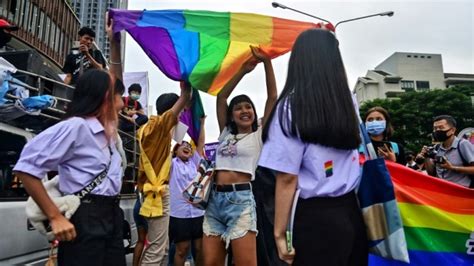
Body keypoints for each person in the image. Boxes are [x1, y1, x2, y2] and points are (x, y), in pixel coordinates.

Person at [259, 29, 368, 265]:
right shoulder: (349, 102)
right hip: (351, 212)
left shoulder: (290, 107)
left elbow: (287, 178)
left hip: (313, 219)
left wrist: (279, 233)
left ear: (299, 60)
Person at [13, 69, 126, 266]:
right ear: (106, 96)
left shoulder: (109, 137)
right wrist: (55, 216)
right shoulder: (76, 127)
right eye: (119, 95)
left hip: (112, 214)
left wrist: (115, 43)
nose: (124, 103)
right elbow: (26, 167)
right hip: (86, 216)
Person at [202, 46, 277, 266]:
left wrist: (267, 63)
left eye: (248, 107)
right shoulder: (225, 133)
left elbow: (273, 96)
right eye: (238, 108)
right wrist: (242, 70)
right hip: (214, 201)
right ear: (232, 116)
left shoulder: (259, 135)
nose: (244, 111)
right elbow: (221, 96)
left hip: (241, 201)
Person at [137, 82, 192, 265]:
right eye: (180, 111)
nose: (182, 114)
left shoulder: (150, 128)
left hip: (154, 192)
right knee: (156, 250)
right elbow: (184, 98)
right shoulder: (158, 127)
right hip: (156, 194)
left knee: (163, 247)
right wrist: (186, 88)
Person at [169, 117, 206, 266]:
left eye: (189, 146)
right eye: (182, 145)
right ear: (175, 150)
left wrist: (202, 123)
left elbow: (200, 143)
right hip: (179, 214)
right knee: (182, 250)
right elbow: (165, 144)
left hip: (198, 212)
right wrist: (172, 122)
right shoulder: (171, 164)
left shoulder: (194, 163)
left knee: (199, 248)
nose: (187, 147)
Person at [418, 115, 474, 188]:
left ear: (452, 130)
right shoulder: (437, 148)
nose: (437, 131)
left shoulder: (463, 144)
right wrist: (426, 157)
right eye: (435, 128)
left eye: (441, 127)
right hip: (442, 192)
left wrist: (452, 168)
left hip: (461, 193)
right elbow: (432, 173)